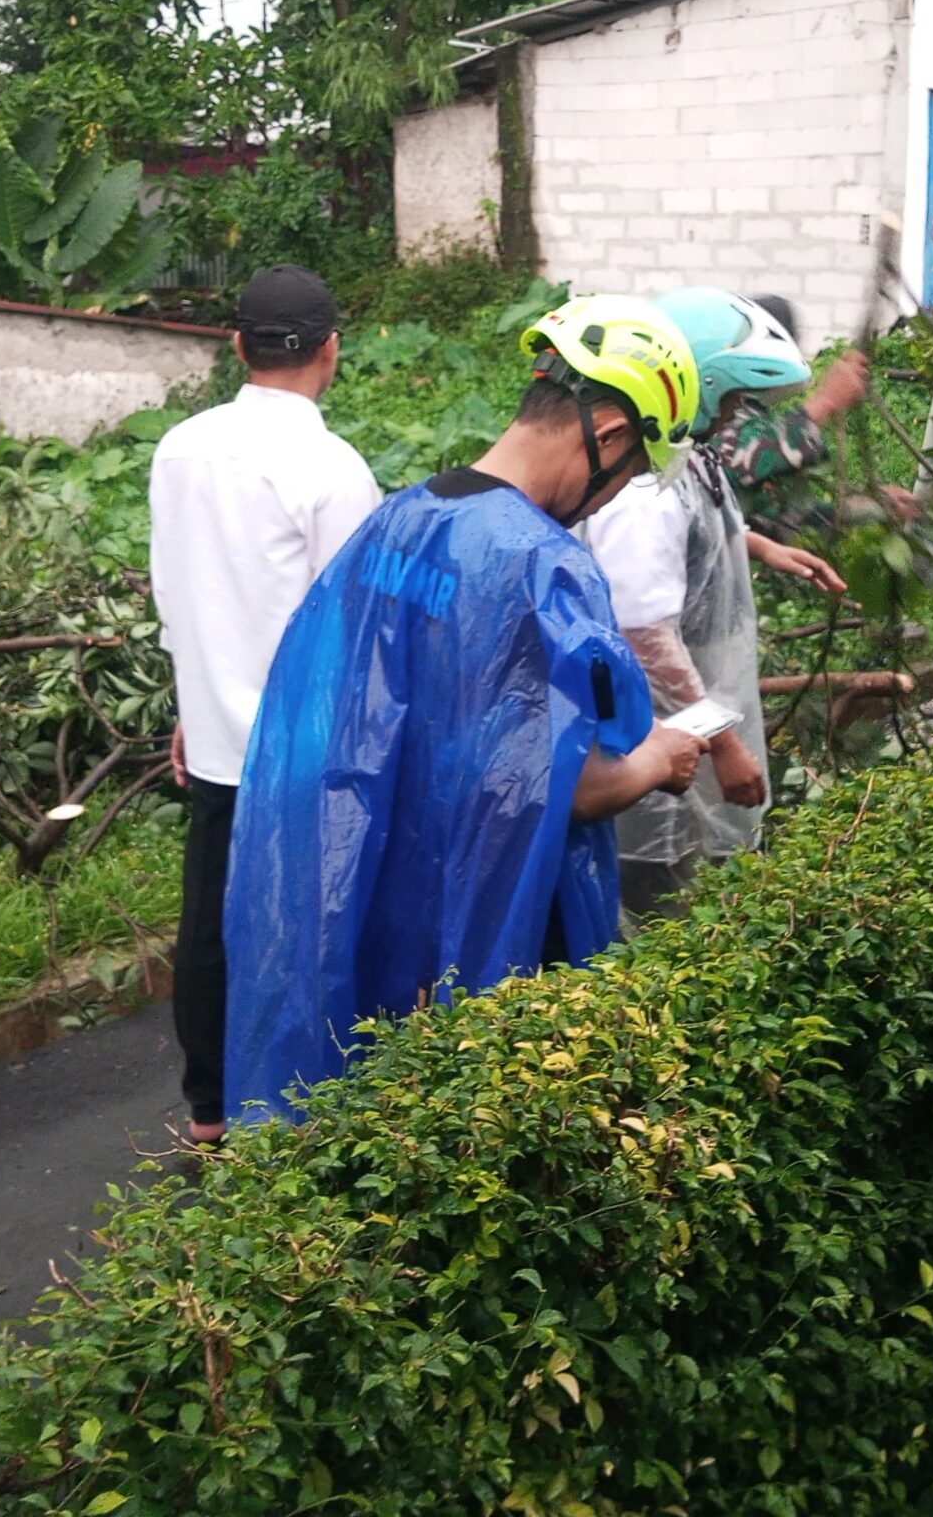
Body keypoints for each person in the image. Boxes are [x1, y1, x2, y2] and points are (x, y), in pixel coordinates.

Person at [223, 295, 712, 1121]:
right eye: (626, 474)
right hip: (496, 929)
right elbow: (568, 786)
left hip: (381, 907)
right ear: (612, 435)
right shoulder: (541, 564)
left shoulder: (399, 522)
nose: (609, 497)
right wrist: (660, 758)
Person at [149, 266, 381, 1148]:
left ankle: (209, 1110)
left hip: (216, 736)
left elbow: (177, 586)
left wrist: (191, 699)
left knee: (211, 922)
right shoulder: (331, 466)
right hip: (307, 744)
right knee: (311, 924)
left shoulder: (181, 447)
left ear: (236, 345)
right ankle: (309, 1108)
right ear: (331, 349)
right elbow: (352, 625)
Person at [584, 287, 846, 919]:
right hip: (653, 733)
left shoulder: (682, 454)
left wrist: (755, 545)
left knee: (697, 881)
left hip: (691, 718)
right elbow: (644, 636)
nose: (736, 416)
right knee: (657, 900)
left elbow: (694, 528)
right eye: (730, 399)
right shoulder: (640, 494)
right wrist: (723, 743)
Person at [706, 294, 881, 536]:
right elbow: (730, 463)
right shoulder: (713, 409)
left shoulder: (752, 411)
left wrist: (864, 510)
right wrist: (824, 402)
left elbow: (772, 517)